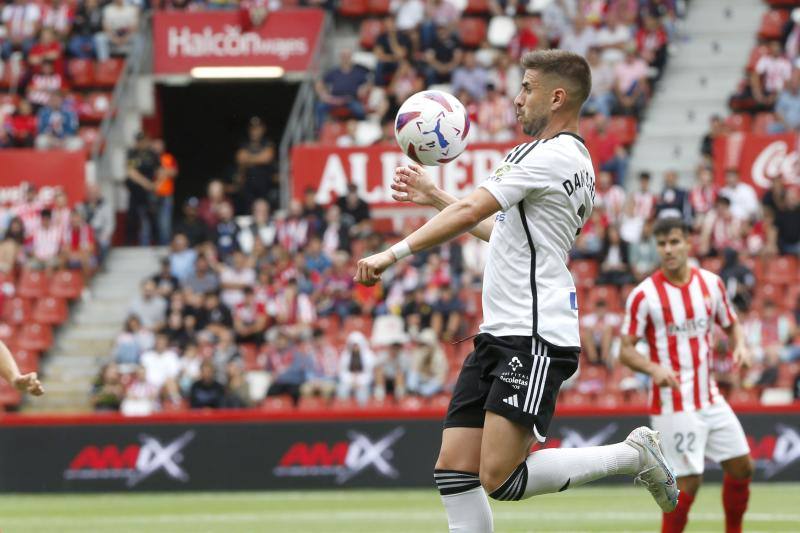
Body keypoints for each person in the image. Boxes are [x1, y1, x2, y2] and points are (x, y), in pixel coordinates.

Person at [356, 50, 677, 532]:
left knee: (499, 478)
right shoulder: (577, 161)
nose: (517, 99)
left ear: (557, 96)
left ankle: (632, 455)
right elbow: (506, 232)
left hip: (532, 334)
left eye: (527, 88)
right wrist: (438, 197)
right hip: (503, 331)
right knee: (454, 471)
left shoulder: (543, 155)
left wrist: (391, 253)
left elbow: (470, 214)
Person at [620, 216, 754, 533]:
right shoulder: (644, 295)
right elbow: (625, 349)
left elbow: (731, 323)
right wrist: (654, 369)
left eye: (675, 242)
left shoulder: (711, 284)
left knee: (742, 467)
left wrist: (741, 346)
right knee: (687, 484)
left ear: (688, 243)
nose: (668, 249)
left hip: (709, 397)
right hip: (673, 403)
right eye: (662, 244)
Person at [236, 117, 278, 209]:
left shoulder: (267, 142)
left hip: (265, 184)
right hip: (249, 185)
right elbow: (240, 158)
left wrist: (249, 159)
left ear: (263, 129)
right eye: (252, 129)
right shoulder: (244, 143)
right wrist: (259, 158)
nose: (254, 131)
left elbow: (267, 157)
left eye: (257, 128)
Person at [125, 132, 159, 245]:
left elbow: (160, 170)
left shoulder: (152, 154)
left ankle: (156, 242)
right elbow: (130, 172)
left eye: (143, 140)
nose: (141, 143)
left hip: (149, 193)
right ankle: (130, 243)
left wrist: (156, 184)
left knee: (152, 217)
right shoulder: (132, 153)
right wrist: (147, 183)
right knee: (132, 218)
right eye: (139, 141)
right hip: (135, 191)